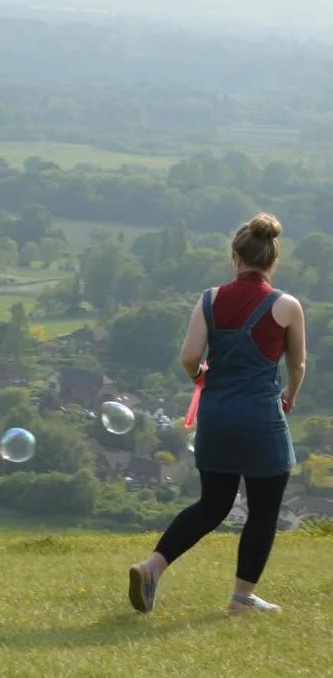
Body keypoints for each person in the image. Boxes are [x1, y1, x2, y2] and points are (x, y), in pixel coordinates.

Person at [128, 213, 306, 616]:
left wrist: (200, 376)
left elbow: (190, 356)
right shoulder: (287, 306)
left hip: (216, 416)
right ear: (273, 259)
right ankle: (242, 598)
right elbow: (297, 365)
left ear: (235, 258)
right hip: (261, 419)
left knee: (212, 504)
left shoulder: (209, 299)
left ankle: (152, 567)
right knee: (263, 509)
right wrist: (290, 396)